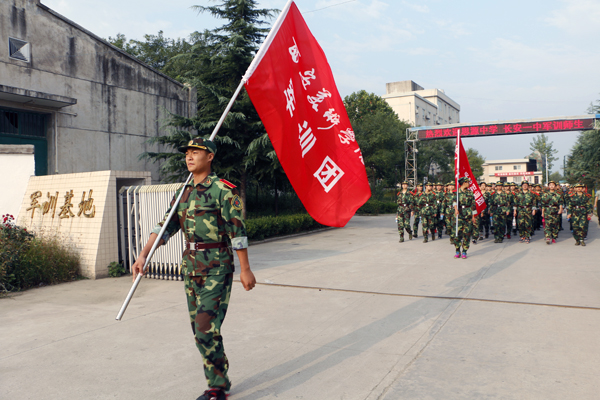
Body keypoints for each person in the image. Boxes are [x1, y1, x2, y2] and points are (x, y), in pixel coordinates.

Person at [131, 137, 256, 400]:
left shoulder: (223, 190)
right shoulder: (183, 192)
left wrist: (245, 268)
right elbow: (164, 228)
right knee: (201, 332)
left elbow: (238, 232)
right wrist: (143, 255)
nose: (189, 156)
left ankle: (217, 387)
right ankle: (218, 379)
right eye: (187, 153)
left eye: (195, 152)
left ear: (209, 157)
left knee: (204, 328)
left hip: (217, 268)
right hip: (190, 269)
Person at [452, 177, 476, 258]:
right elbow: (454, 202)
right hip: (459, 215)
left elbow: (473, 205)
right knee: (457, 234)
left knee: (467, 234)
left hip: (468, 215)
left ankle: (464, 251)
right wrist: (456, 209)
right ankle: (457, 250)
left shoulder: (470, 193)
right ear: (463, 183)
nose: (469, 183)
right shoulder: (456, 192)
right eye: (467, 182)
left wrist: (473, 216)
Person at [540, 180, 563, 245]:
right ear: (548, 186)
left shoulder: (558, 195)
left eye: (553, 185)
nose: (551, 186)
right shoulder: (545, 195)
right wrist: (542, 212)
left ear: (555, 186)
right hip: (547, 211)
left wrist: (560, 209)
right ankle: (547, 237)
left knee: (555, 225)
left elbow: (560, 203)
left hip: (555, 210)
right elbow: (543, 205)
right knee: (547, 225)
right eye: (550, 185)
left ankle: (554, 237)